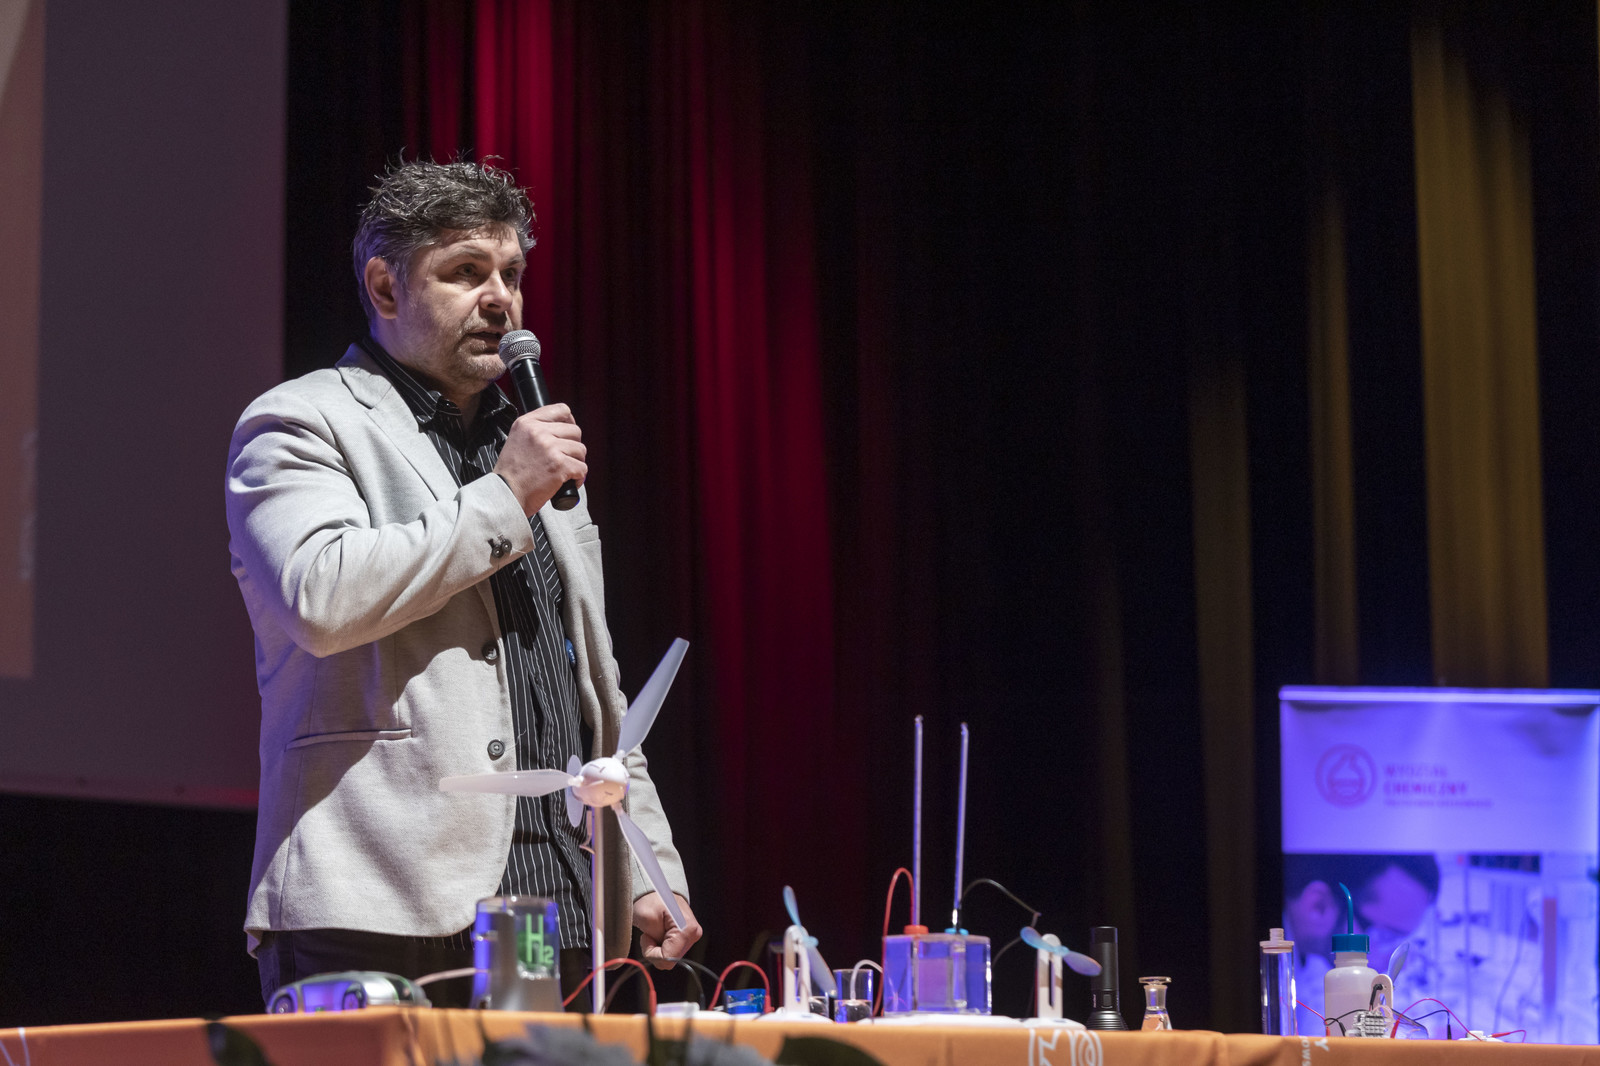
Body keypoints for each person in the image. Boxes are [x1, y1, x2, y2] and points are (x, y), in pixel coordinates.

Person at [226, 160, 700, 1008]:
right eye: (466, 272)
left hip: (551, 902)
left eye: (511, 274)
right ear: (385, 287)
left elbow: (592, 688)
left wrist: (645, 866)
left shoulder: (531, 451)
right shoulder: (301, 421)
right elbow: (320, 598)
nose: (501, 300)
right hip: (378, 899)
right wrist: (506, 494)